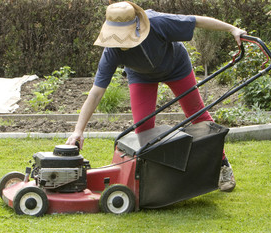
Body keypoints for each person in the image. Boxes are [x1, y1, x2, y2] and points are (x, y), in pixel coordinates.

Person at [66, 1, 246, 192]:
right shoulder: (112, 50)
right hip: (141, 76)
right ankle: (152, 176)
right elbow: (96, 93)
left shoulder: (158, 23)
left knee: (198, 116)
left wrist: (232, 29)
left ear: (136, 27)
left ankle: (222, 166)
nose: (121, 42)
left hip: (176, 67)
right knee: (142, 128)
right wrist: (79, 130)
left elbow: (196, 21)